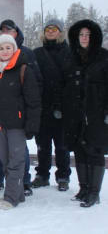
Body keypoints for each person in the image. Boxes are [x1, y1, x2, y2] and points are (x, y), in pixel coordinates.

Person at [0, 34, 41, 209]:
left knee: (16, 160)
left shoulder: (23, 69)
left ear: (14, 49)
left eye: (8, 47)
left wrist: (32, 124)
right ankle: (18, 193)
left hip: (17, 124)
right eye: (1, 48)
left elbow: (33, 100)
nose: (5, 51)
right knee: (5, 160)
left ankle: (11, 197)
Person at [61, 19, 108, 208]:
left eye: (88, 35)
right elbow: (64, 84)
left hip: (96, 113)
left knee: (94, 150)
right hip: (74, 112)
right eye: (81, 34)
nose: (84, 38)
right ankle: (83, 188)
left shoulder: (104, 57)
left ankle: (94, 192)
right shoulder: (71, 57)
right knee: (79, 149)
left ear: (94, 37)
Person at [32, 19, 71, 191]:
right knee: (43, 145)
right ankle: (42, 175)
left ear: (60, 32)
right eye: (47, 28)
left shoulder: (69, 52)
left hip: (62, 107)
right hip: (42, 106)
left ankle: (63, 176)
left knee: (62, 145)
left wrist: (63, 104)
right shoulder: (37, 53)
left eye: (54, 29)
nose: (50, 31)